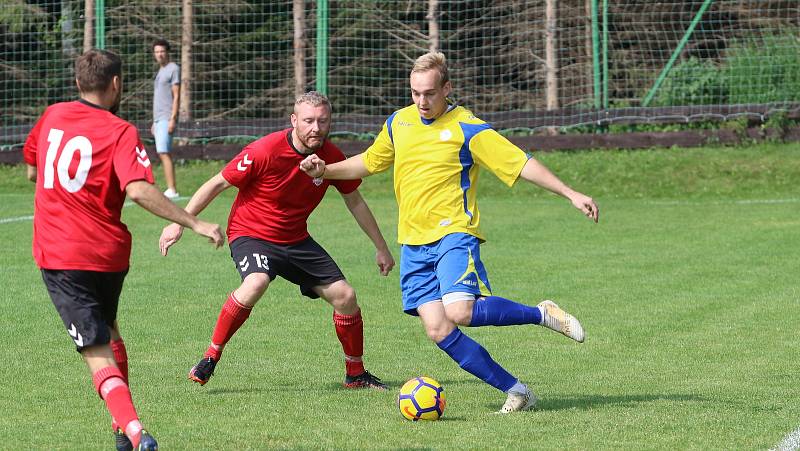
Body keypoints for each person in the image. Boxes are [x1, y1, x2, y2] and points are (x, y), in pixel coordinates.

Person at [300, 52, 599, 414]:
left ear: (447, 89)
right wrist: (324, 169)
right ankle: (517, 391)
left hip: (454, 234)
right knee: (439, 330)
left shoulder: (467, 127)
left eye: (429, 93)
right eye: (415, 93)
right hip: (412, 243)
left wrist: (570, 192)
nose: (421, 101)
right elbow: (369, 162)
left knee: (459, 311)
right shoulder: (399, 123)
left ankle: (540, 313)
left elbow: (520, 163)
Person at [23, 49, 224, 451]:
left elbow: (32, 170)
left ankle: (134, 431)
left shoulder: (52, 117)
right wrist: (195, 221)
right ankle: (120, 431)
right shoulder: (120, 130)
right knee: (110, 329)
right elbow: (138, 188)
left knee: (95, 351)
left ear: (79, 82)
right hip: (108, 256)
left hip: (63, 256)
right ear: (116, 84)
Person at [159, 91, 395, 390]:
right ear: (293, 120)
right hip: (251, 234)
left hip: (295, 239)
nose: (316, 128)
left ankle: (355, 374)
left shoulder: (331, 157)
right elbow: (217, 183)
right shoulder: (264, 150)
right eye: (308, 121)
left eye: (322, 121)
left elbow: (355, 201)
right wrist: (179, 223)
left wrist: (381, 246)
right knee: (256, 282)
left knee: (345, 297)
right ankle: (210, 357)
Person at [151, 38, 181, 199]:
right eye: (156, 52)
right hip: (159, 119)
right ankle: (170, 188)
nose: (159, 54)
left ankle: (172, 189)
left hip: (167, 117)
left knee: (164, 152)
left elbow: (176, 96)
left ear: (167, 52)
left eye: (162, 51)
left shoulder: (173, 68)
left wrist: (172, 118)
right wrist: (154, 122)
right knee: (161, 152)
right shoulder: (160, 71)